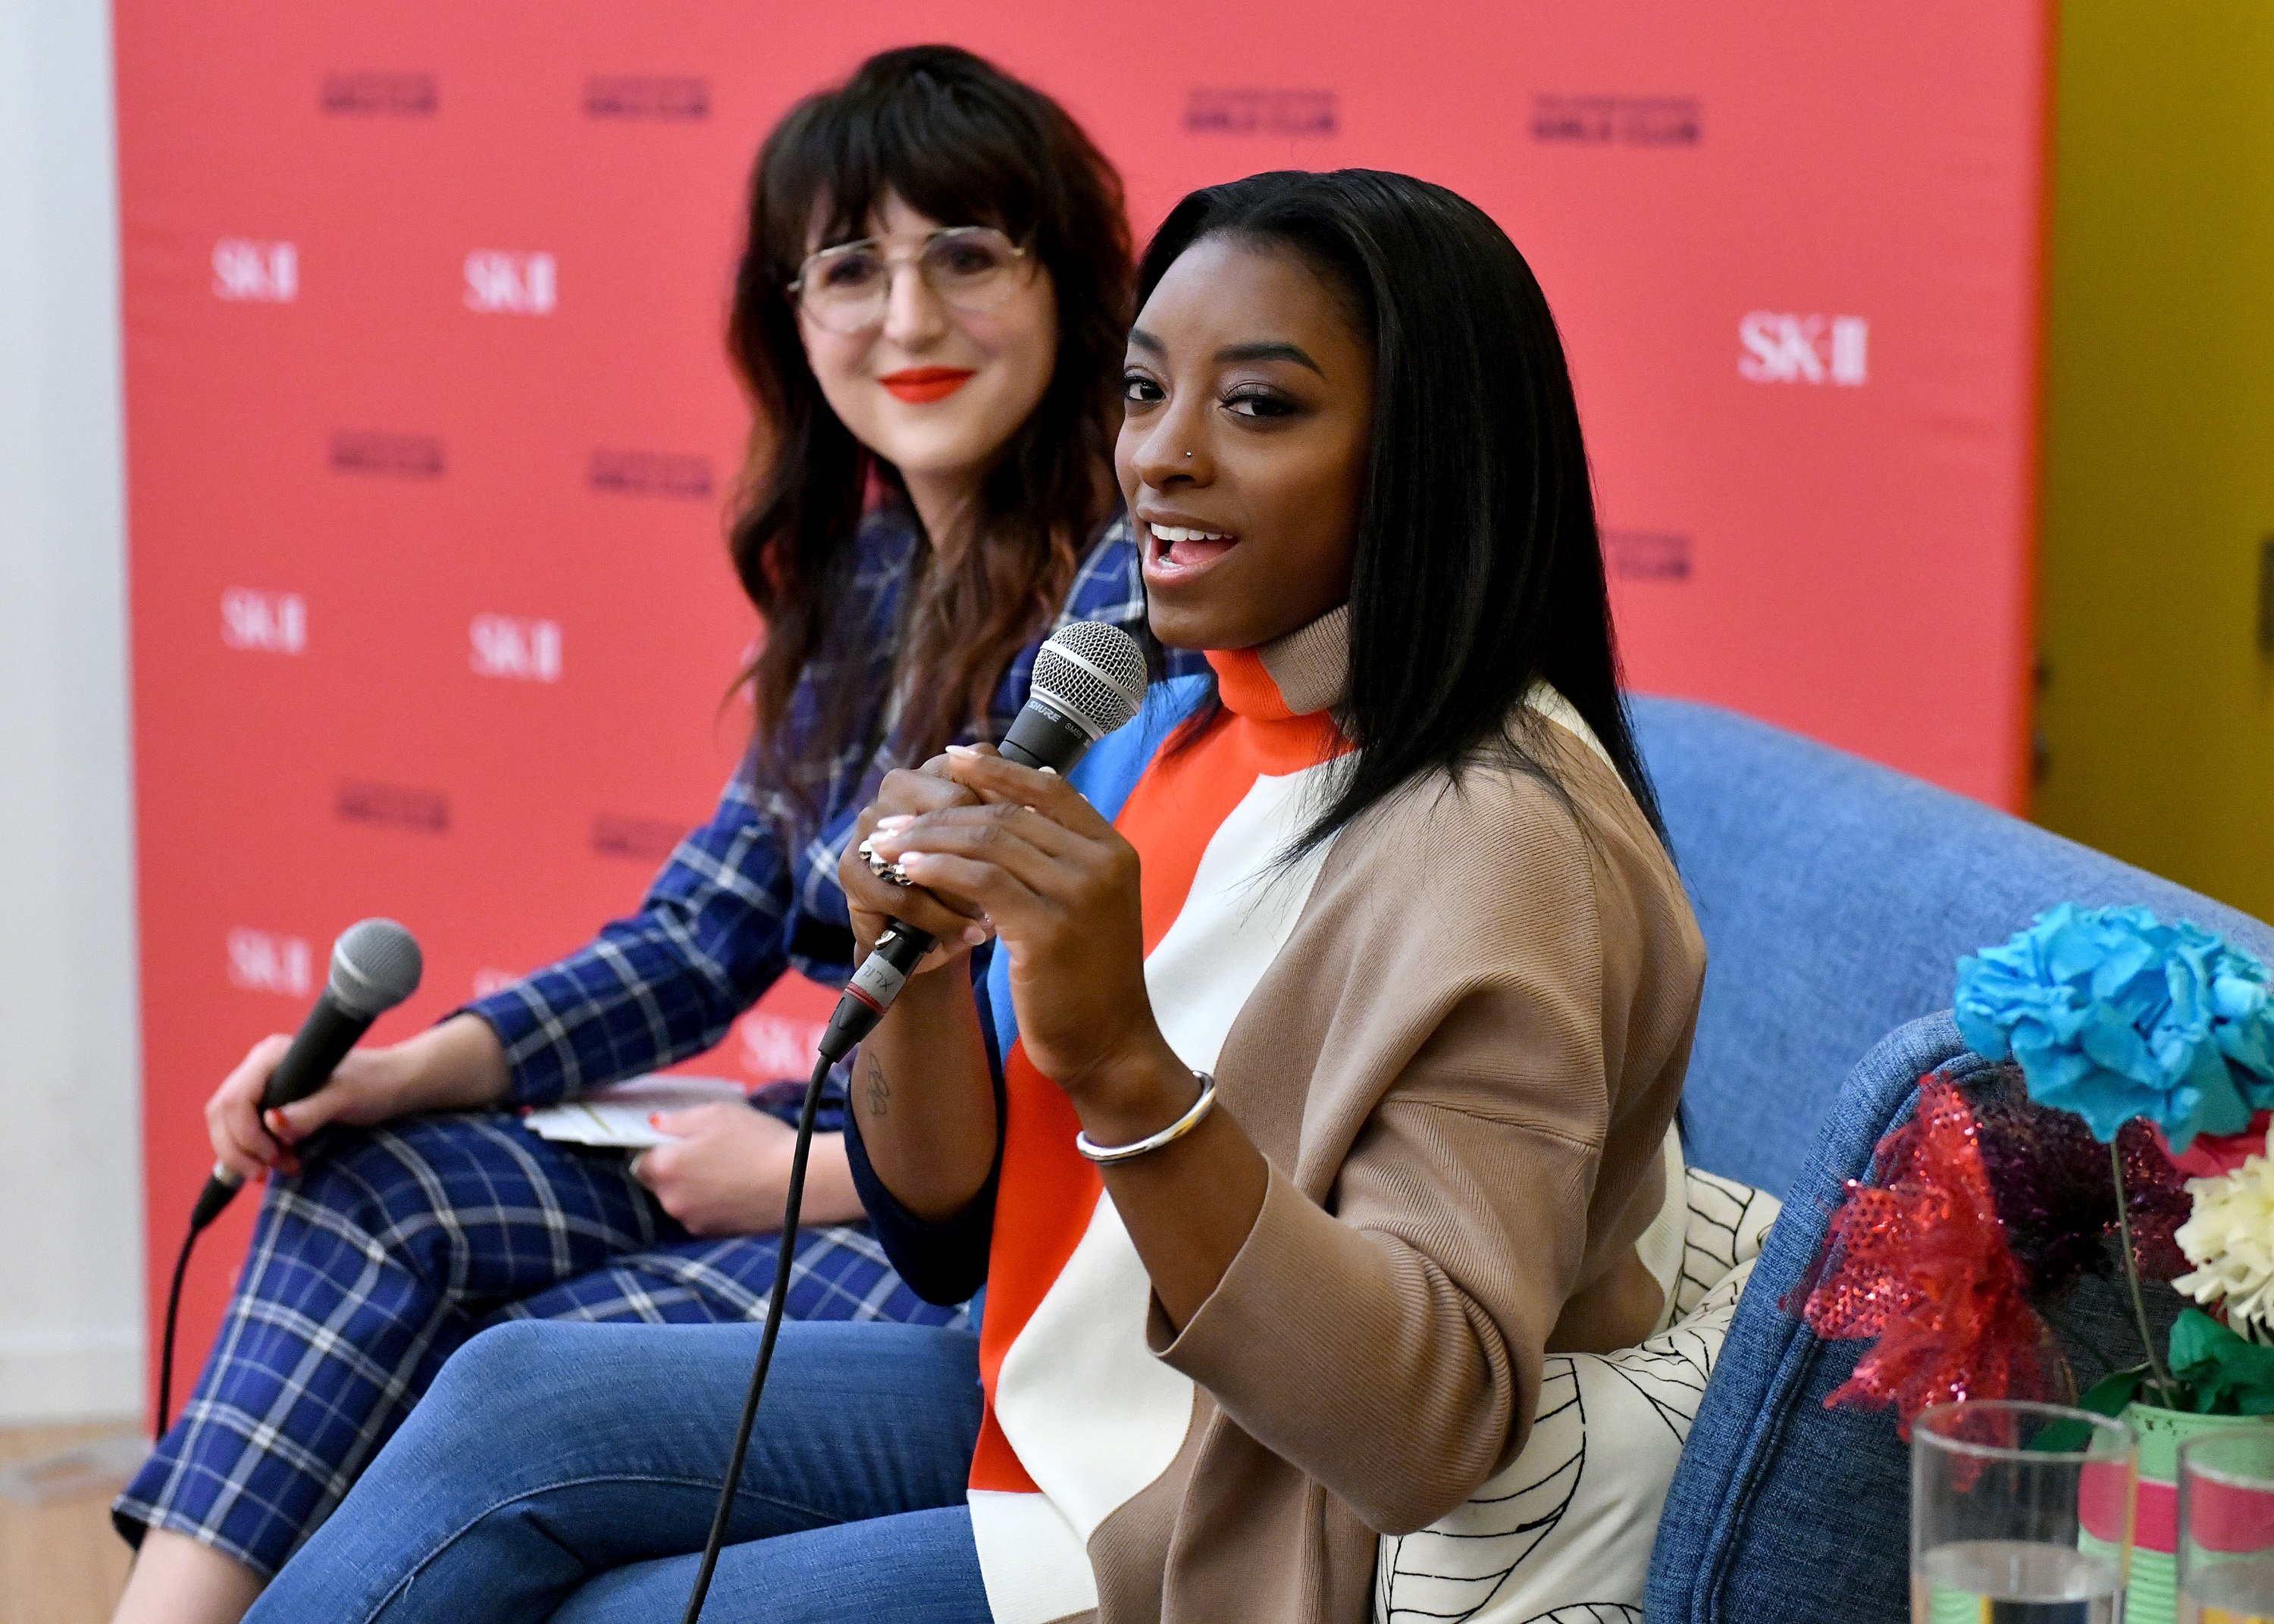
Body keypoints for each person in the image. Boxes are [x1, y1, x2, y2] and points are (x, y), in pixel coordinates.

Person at [238, 167, 1707, 1624]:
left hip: (1231, 1510)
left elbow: (1422, 1429)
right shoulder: (1172, 717)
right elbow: (950, 1230)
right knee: (511, 1397)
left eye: (1257, 406)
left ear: (1430, 456)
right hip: (1042, 1384)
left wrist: (1124, 1064)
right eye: (1145, 392)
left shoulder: (1508, 844)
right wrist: (917, 980)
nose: (1162, 458)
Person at [111, 45, 1196, 1624]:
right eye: (851, 269)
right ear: (790, 314)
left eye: (966, 255)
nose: (906, 319)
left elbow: (1115, 1026)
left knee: (523, 1365)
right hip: (800, 1132)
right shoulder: (868, 579)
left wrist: (811, 1170)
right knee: (366, 1179)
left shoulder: (1132, 589)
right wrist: (410, 1067)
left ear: (1073, 289)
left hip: (962, 1227)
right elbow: (701, 931)